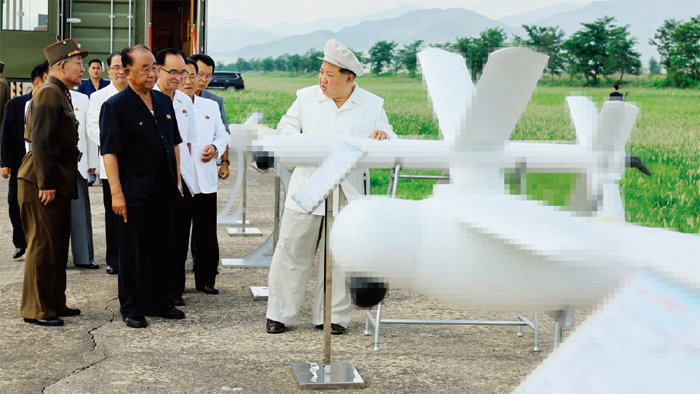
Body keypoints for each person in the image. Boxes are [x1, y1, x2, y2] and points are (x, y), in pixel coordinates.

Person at [265, 39, 396, 335]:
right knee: (292, 251)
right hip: (309, 186)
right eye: (321, 72)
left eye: (330, 75)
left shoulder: (373, 104)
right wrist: (310, 146)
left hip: (347, 192)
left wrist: (382, 135)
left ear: (349, 79)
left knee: (340, 255)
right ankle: (279, 314)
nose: (323, 79)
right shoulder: (306, 97)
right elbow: (285, 128)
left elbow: (389, 136)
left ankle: (333, 317)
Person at [100, 45, 185, 328]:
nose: (152, 73)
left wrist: (178, 181)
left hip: (164, 191)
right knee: (134, 252)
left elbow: (174, 143)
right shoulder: (115, 106)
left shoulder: (163, 101)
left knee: (163, 249)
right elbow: (109, 153)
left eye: (154, 67)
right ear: (127, 72)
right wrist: (116, 194)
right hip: (134, 192)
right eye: (145, 68)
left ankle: (160, 302)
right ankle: (132, 307)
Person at [18, 39, 88, 327]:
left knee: (58, 245)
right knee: (43, 245)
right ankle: (37, 309)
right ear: (61, 66)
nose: (82, 69)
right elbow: (41, 141)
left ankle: (55, 302)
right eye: (78, 64)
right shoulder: (48, 93)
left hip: (57, 178)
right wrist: (46, 183)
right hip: (41, 179)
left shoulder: (61, 93)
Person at [180, 58, 228, 297]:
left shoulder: (209, 106)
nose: (190, 81)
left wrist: (215, 147)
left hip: (206, 180)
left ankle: (206, 279)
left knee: (206, 233)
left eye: (194, 76)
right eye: (186, 75)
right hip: (181, 182)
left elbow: (223, 134)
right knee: (178, 235)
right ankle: (175, 284)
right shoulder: (169, 104)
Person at [153, 48, 198, 304]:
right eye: (174, 72)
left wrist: (186, 181)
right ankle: (159, 290)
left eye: (183, 72)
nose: (180, 77)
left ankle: (175, 290)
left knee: (180, 238)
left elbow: (187, 144)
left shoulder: (184, 101)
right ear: (158, 70)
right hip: (158, 180)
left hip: (183, 180)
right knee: (161, 240)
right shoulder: (148, 99)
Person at [1, 62, 48, 260]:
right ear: (42, 79)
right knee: (14, 203)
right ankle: (20, 242)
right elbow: (7, 135)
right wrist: (5, 162)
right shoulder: (16, 104)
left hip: (44, 165)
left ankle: (39, 243)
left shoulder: (51, 104)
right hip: (21, 164)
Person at [86, 51, 127, 275]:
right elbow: (92, 129)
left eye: (124, 67)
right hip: (110, 163)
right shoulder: (99, 97)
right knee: (113, 214)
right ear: (108, 70)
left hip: (135, 163)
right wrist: (117, 139)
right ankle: (114, 259)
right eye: (116, 67)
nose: (121, 72)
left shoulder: (139, 94)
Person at [69, 89, 99, 269]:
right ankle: (57, 259)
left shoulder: (81, 98)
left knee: (80, 214)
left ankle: (84, 258)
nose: (82, 69)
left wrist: (93, 162)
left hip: (78, 166)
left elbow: (88, 133)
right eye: (78, 63)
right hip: (52, 169)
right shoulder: (43, 95)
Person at [191, 54, 231, 180]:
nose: (203, 80)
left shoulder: (215, 101)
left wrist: (225, 163)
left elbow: (223, 133)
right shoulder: (175, 97)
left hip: (205, 165)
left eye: (208, 76)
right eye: (200, 74)